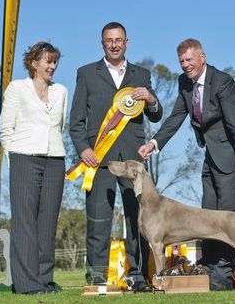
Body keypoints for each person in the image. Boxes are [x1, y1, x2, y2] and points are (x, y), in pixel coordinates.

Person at [138, 38, 235, 290]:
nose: (185, 65)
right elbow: (176, 117)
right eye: (182, 61)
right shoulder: (184, 83)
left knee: (226, 217)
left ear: (202, 57)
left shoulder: (223, 82)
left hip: (231, 157)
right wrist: (154, 143)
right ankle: (209, 268)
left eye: (189, 60)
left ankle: (222, 276)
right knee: (206, 215)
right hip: (210, 157)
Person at [69, 22, 163, 289]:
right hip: (98, 160)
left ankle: (138, 275)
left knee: (139, 220)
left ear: (127, 43)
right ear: (102, 44)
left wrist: (152, 99)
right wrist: (84, 148)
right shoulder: (86, 73)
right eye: (109, 40)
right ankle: (97, 277)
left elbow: (154, 116)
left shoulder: (142, 74)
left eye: (118, 40)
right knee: (98, 220)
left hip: (134, 163)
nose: (114, 44)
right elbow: (76, 120)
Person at [0, 42, 68, 294]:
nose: (52, 66)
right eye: (47, 61)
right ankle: (27, 284)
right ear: (33, 63)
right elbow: (6, 129)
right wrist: (14, 159)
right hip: (24, 158)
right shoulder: (17, 88)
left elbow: (61, 126)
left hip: (55, 159)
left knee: (47, 222)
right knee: (25, 221)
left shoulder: (61, 91)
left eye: (54, 61)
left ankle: (44, 280)